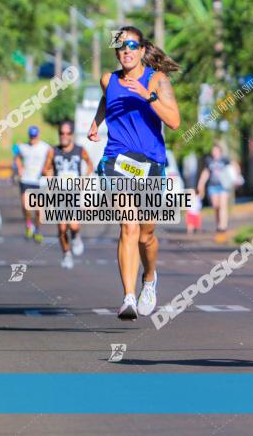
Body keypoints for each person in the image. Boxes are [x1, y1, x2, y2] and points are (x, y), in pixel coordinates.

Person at [88, 26, 180, 321]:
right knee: (128, 225)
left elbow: (175, 121)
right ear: (116, 52)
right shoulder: (108, 79)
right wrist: (96, 122)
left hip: (151, 162)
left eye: (131, 45)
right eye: (120, 46)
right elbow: (108, 97)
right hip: (117, 159)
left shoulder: (157, 80)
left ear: (142, 50)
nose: (126, 51)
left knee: (146, 234)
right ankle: (128, 296)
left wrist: (148, 96)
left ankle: (149, 278)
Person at [43, 120, 94, 269]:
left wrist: (84, 179)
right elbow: (46, 169)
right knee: (61, 228)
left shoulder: (80, 150)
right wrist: (50, 179)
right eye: (61, 133)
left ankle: (76, 237)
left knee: (73, 225)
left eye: (67, 133)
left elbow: (90, 164)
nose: (64, 136)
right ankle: (66, 253)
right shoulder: (53, 151)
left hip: (74, 192)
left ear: (72, 134)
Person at [15, 126, 51, 242]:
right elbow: (17, 157)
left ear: (38, 135)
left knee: (39, 210)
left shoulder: (45, 147)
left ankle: (37, 230)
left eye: (34, 136)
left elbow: (51, 160)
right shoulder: (23, 147)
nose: (33, 139)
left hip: (39, 181)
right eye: (31, 136)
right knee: (26, 206)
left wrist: (49, 172)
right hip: (26, 180)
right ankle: (28, 224)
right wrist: (19, 168)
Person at [196, 144, 240, 233]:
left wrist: (236, 177)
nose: (214, 152)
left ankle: (223, 226)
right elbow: (206, 173)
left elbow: (235, 165)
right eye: (213, 150)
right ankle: (218, 224)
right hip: (212, 186)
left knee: (223, 205)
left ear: (219, 151)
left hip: (224, 185)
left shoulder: (225, 159)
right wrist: (201, 184)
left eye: (216, 150)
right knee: (216, 206)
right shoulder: (209, 161)